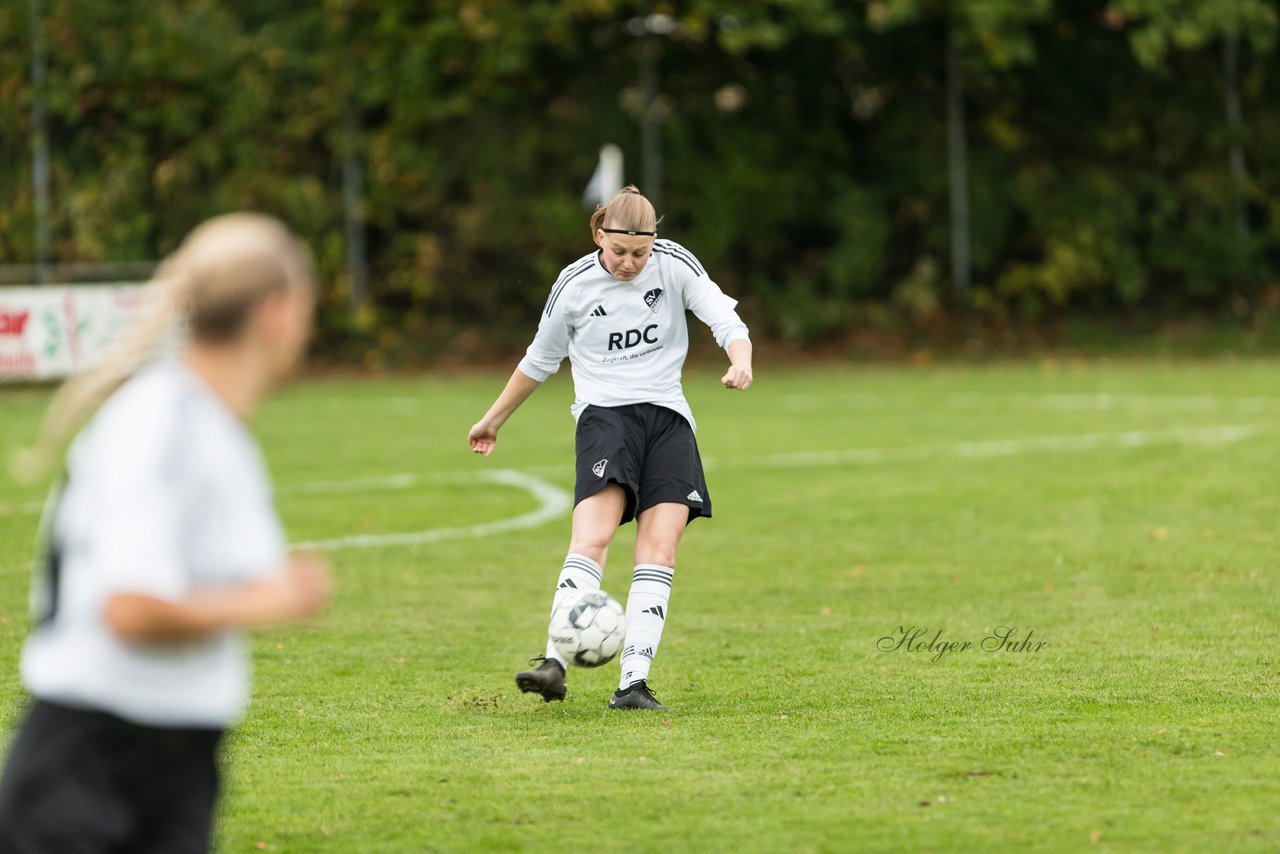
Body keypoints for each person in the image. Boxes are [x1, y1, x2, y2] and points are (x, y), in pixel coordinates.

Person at [0, 213, 330, 853]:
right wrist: (273, 598)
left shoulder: (211, 427)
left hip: (171, 759)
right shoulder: (163, 421)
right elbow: (130, 606)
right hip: (93, 767)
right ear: (276, 310)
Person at [468, 186, 753, 711]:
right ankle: (554, 662)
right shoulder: (574, 284)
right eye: (618, 252)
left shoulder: (673, 266)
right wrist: (494, 419)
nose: (628, 263)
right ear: (599, 235)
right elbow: (540, 359)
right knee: (593, 538)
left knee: (660, 548)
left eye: (639, 254)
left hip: (669, 421)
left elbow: (726, 320)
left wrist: (741, 359)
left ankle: (633, 686)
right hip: (605, 419)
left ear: (654, 243)